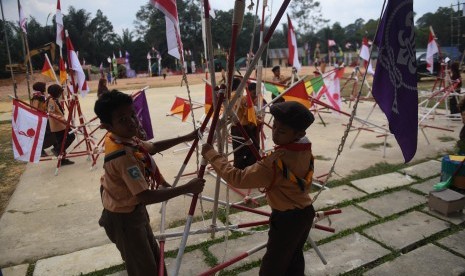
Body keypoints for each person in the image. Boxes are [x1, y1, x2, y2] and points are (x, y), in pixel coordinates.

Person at [94, 91, 205, 276]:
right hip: (124, 219)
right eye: (123, 119)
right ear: (107, 126)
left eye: (132, 114)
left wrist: (186, 137)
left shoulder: (122, 137)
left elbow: (151, 148)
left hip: (131, 210)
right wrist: (187, 188)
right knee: (143, 269)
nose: (132, 121)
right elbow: (144, 196)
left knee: (153, 258)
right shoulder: (123, 156)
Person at [202, 101, 316, 275]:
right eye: (275, 126)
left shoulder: (275, 163)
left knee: (273, 266)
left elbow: (237, 178)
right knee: (293, 259)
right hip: (306, 213)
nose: (275, 133)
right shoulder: (304, 149)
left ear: (299, 133)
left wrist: (212, 155)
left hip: (287, 220)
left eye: (282, 131)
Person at [230, 80, 261, 169]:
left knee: (238, 151)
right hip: (243, 128)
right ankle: (247, 170)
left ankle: (237, 171)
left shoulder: (229, 97)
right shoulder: (242, 98)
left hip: (234, 128)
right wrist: (258, 121)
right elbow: (249, 116)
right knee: (253, 149)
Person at [46, 84, 75, 165]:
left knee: (62, 141)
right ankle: (58, 150)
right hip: (58, 125)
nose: (60, 94)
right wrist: (61, 119)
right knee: (71, 136)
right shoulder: (51, 100)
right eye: (59, 92)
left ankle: (62, 159)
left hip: (60, 124)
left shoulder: (54, 99)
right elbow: (50, 113)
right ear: (56, 92)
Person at [31, 82, 56, 157]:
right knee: (45, 134)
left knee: (51, 132)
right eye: (44, 87)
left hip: (45, 117)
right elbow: (34, 108)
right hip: (41, 118)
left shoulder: (41, 96)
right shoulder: (37, 97)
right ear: (40, 88)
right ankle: (40, 150)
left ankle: (56, 147)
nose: (45, 88)